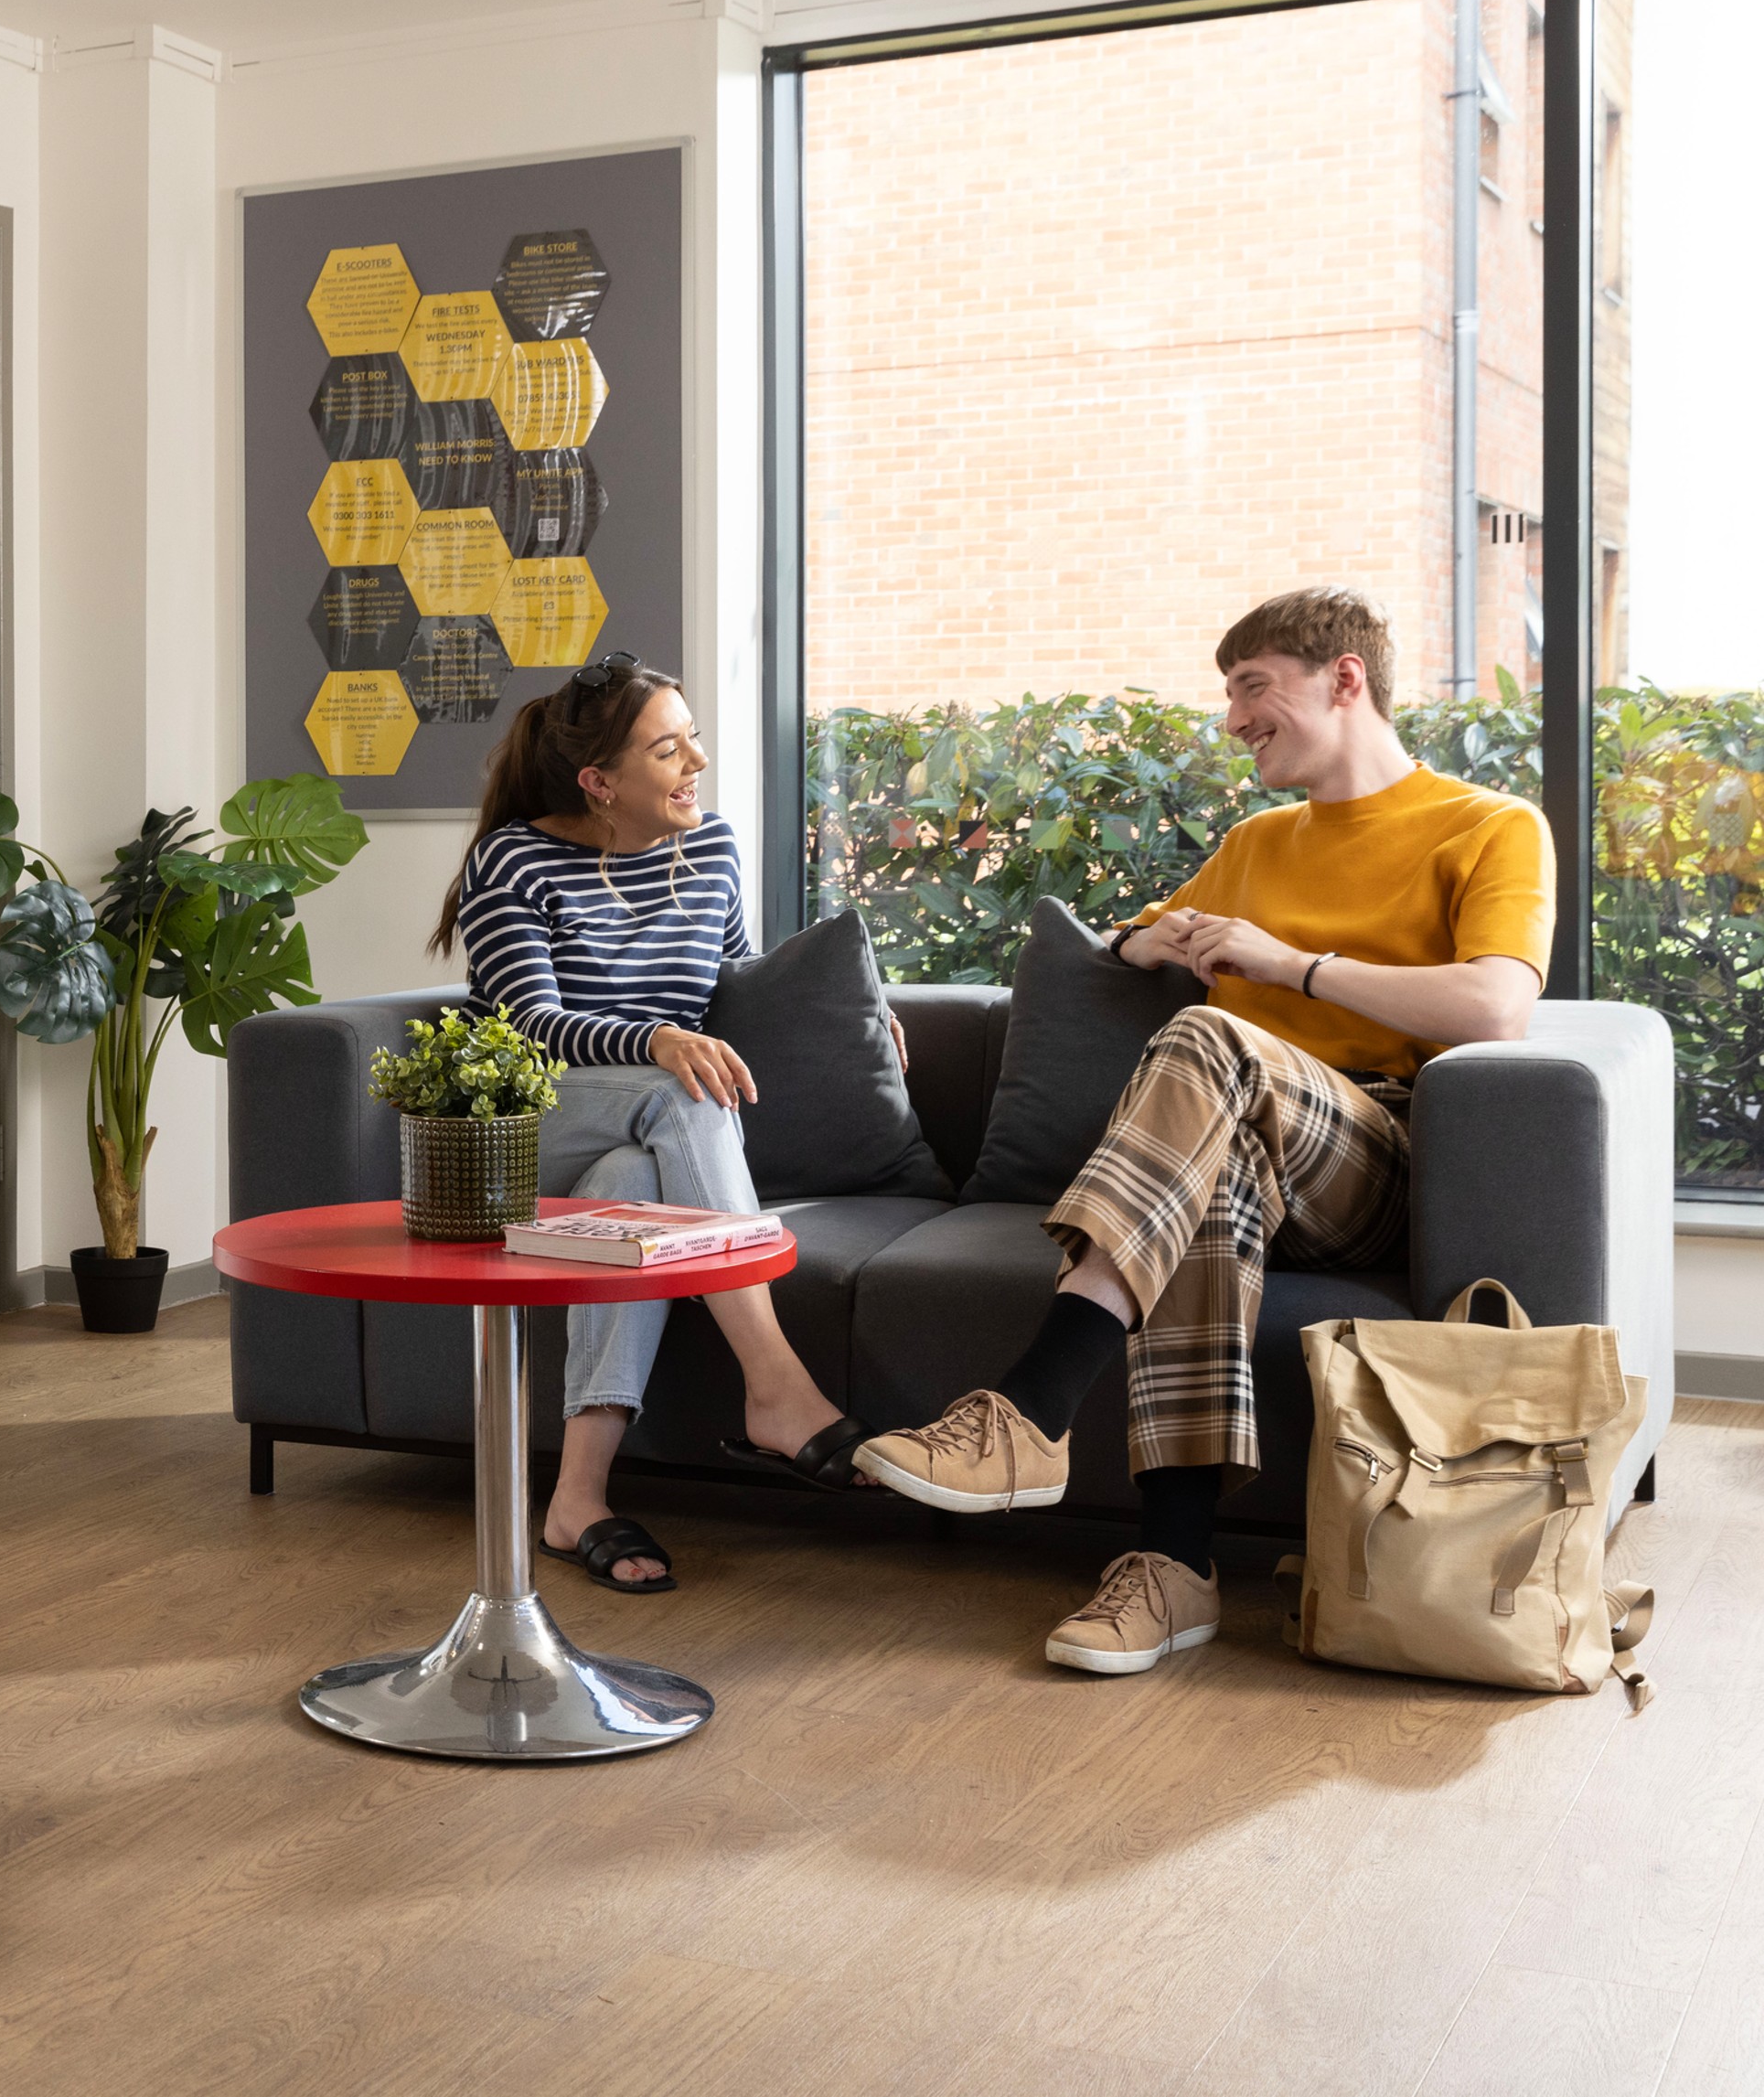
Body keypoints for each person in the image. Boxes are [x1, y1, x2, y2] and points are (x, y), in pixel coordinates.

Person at [852, 586, 1554, 1676]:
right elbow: (1129, 939)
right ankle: (1173, 1567)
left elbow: (1497, 1006)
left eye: (1254, 686)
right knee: (1207, 1186)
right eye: (1231, 694)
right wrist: (1153, 941)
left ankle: (1032, 1406)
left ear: (1346, 678)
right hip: (1238, 1158)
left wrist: (1288, 964)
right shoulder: (1256, 842)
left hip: (1378, 1152)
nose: (1234, 718)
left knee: (1208, 1040)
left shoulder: (1489, 824)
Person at [437, 651, 880, 1596]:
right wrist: (657, 1037)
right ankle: (774, 1383)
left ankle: (576, 1499)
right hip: (528, 1122)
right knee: (681, 1092)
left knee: (631, 1193)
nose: (697, 764)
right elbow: (528, 1026)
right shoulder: (514, 857)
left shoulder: (708, 847)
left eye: (695, 739)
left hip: (624, 1138)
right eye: (669, 749)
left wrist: (849, 1008)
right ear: (600, 782)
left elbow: (742, 977)